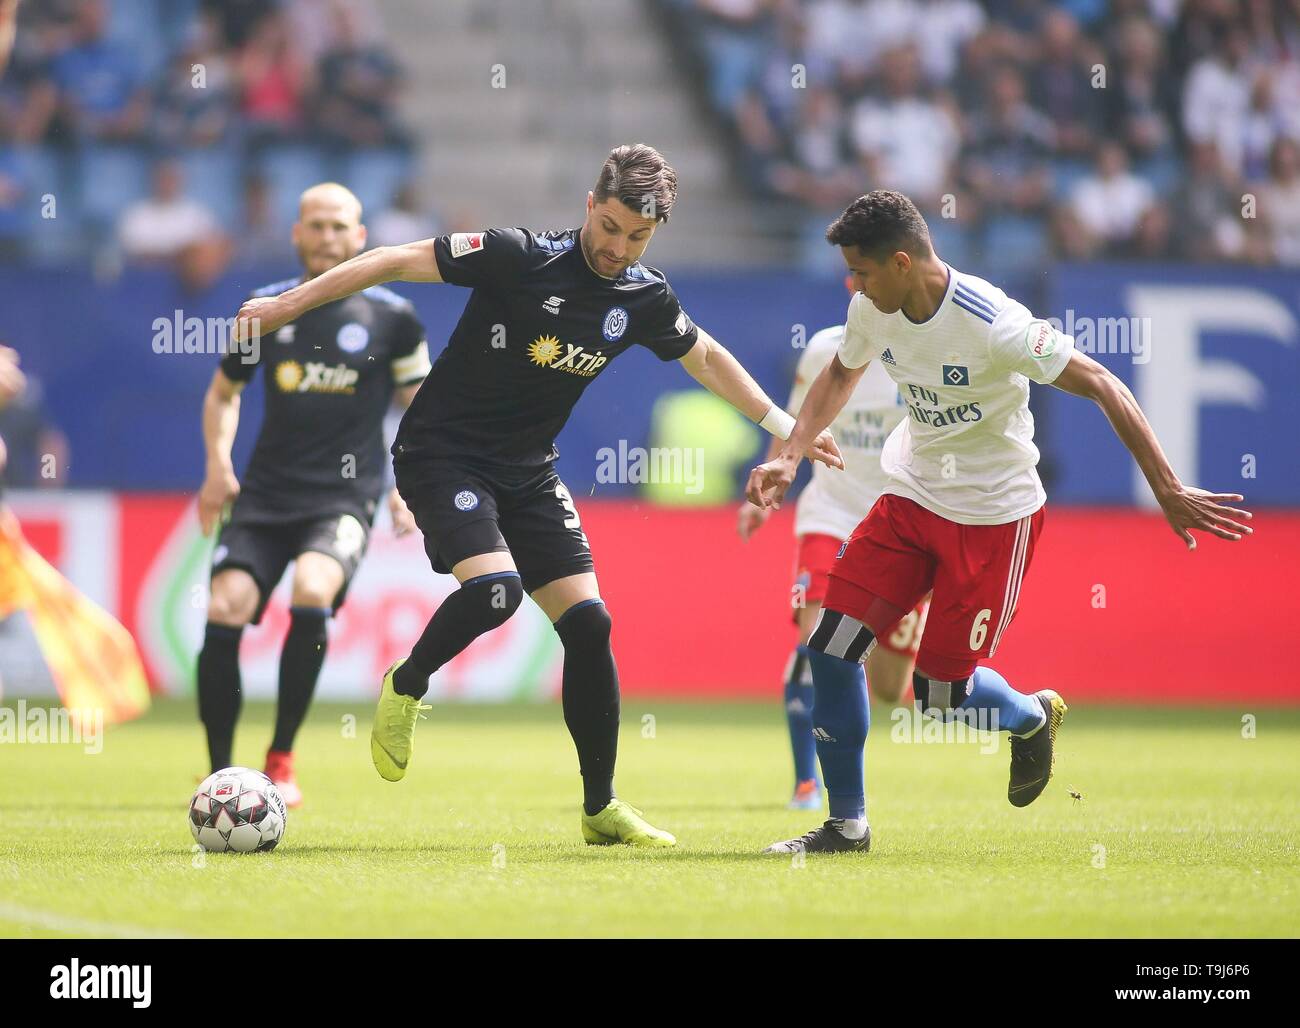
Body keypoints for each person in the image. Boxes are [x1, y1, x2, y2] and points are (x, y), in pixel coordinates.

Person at [233, 144, 841, 848]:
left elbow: (703, 355)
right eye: (609, 227)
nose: (618, 247)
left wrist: (785, 426)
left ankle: (600, 808)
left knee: (590, 625)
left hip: (527, 472)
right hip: (442, 456)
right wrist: (288, 303)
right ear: (590, 204)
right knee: (496, 592)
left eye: (636, 237)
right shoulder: (517, 256)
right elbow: (393, 259)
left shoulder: (641, 297)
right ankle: (407, 683)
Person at [749, 190, 1251, 854]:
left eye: (863, 271)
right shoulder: (874, 307)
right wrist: (790, 455)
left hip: (993, 518)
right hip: (912, 498)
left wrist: (1165, 486)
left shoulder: (994, 323)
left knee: (939, 695)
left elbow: (1101, 380)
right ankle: (847, 824)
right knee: (832, 648)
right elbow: (840, 374)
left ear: (901, 262)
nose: (855, 285)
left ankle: (1030, 716)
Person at [197, 182, 430, 807]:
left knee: (312, 590)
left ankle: (281, 757)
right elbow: (224, 393)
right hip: (266, 495)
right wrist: (218, 466)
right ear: (297, 234)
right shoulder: (263, 310)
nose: (328, 237)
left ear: (361, 239)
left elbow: (421, 411)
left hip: (344, 498)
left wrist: (411, 486)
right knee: (225, 606)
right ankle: (220, 776)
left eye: (340, 227)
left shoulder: (394, 319)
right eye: (316, 226)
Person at [738, 277, 928, 811]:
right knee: (816, 646)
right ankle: (810, 782)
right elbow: (792, 423)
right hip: (832, 514)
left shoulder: (923, 356)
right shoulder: (825, 351)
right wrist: (764, 494)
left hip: (900, 524)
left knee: (891, 687)